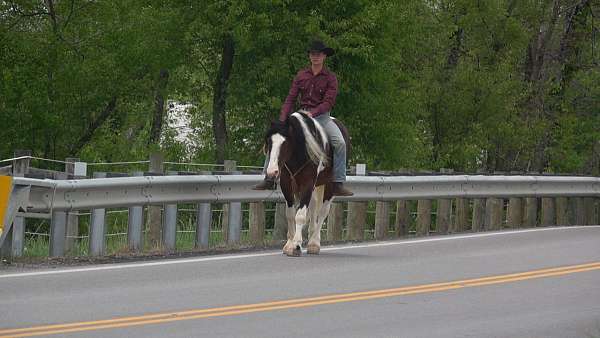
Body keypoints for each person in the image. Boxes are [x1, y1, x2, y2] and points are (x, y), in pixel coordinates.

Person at [253, 40, 353, 196]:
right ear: (309, 56)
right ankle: (268, 178)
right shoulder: (301, 75)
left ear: (324, 56)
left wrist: (313, 113)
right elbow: (290, 98)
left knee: (340, 143)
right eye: (312, 54)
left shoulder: (330, 78)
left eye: (318, 54)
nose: (315, 57)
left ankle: (338, 182)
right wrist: (282, 119)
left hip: (322, 118)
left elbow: (328, 102)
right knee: (275, 137)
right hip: (300, 115)